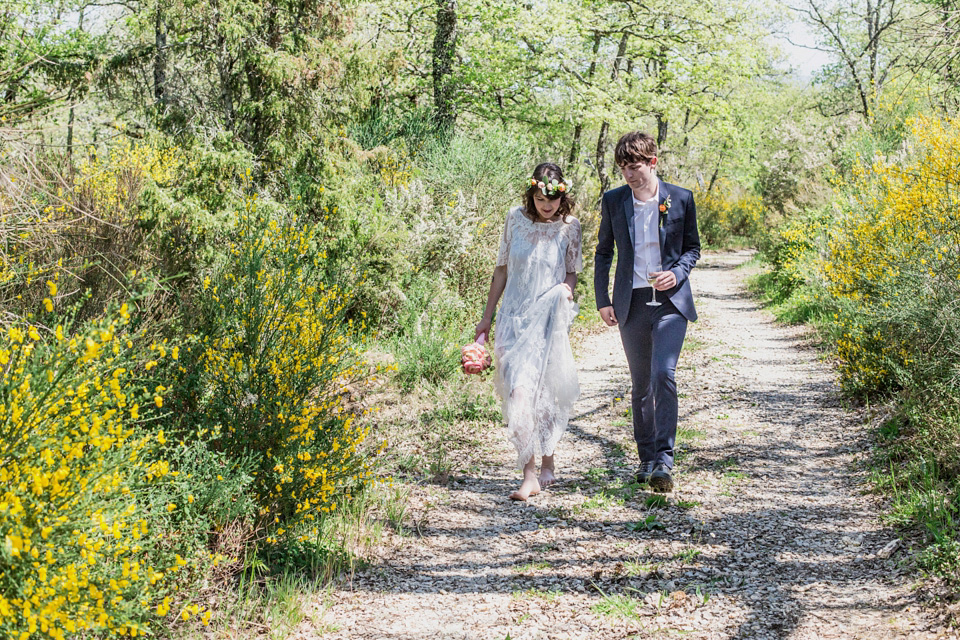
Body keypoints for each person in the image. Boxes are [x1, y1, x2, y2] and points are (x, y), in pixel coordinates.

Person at [594, 131, 700, 493]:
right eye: (623, 168)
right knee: (640, 384)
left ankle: (665, 461)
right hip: (632, 302)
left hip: (670, 302)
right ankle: (646, 460)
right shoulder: (613, 201)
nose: (629, 174)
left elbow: (692, 249)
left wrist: (677, 273)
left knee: (662, 374)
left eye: (635, 166)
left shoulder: (681, 198)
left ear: (652, 162)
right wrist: (603, 299)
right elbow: (603, 252)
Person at [475, 163, 582, 501]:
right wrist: (485, 320)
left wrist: (565, 291)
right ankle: (529, 473)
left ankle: (547, 462)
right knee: (518, 394)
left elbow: (571, 274)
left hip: (548, 321)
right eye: (539, 199)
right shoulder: (514, 220)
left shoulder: (569, 228)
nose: (545, 205)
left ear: (561, 195)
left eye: (551, 199)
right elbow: (501, 273)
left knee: (545, 392)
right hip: (513, 319)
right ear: (531, 194)